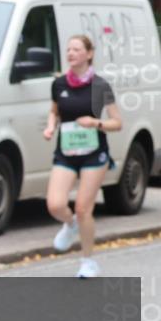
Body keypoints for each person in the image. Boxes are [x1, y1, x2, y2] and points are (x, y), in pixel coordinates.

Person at [42, 34, 121, 278]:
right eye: (68, 49)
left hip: (94, 154)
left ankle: (88, 262)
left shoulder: (100, 86)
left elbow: (117, 122)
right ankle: (70, 224)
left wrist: (95, 122)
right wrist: (50, 126)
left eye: (76, 49)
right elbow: (54, 112)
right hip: (66, 151)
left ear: (89, 54)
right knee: (55, 204)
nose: (71, 53)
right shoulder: (58, 84)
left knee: (83, 208)